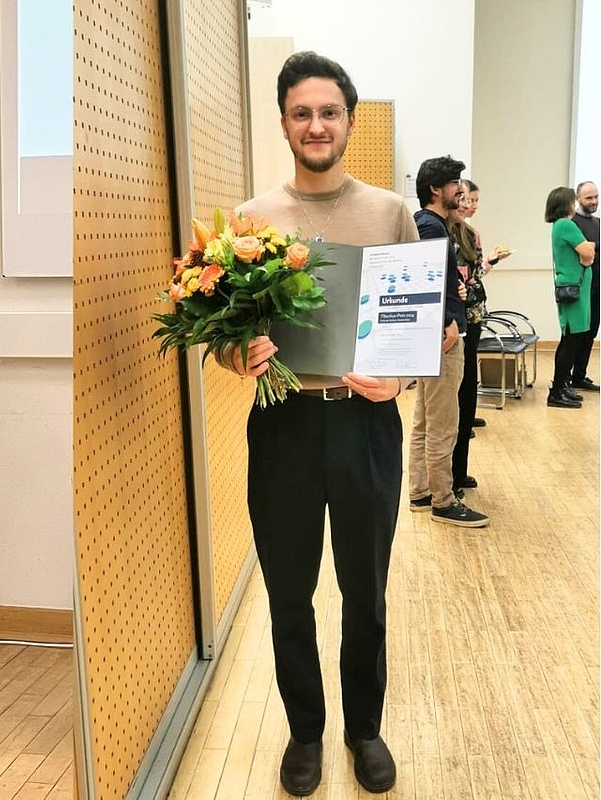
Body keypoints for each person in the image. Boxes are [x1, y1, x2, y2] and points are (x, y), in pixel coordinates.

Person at [222, 52, 414, 796]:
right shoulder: (249, 220)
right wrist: (240, 355)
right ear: (282, 124)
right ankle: (305, 731)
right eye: (300, 113)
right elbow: (224, 338)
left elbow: (418, 320)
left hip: (365, 424)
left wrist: (396, 376)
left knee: (364, 589)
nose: (315, 125)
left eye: (328, 112)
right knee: (288, 589)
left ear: (348, 122)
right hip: (282, 423)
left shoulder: (388, 213)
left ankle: (363, 729)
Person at [407, 156, 488, 528]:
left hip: (439, 332)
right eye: (455, 182)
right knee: (443, 420)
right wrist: (449, 320)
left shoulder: (430, 224)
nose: (462, 188)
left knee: (426, 416)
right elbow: (426, 278)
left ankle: (421, 490)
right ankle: (443, 499)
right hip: (445, 335)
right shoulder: (431, 226)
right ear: (436, 189)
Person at [448, 179, 510, 493]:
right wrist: (463, 286)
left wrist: (488, 265)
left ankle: (460, 471)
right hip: (454, 323)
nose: (470, 205)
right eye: (465, 199)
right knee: (455, 396)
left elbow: (475, 276)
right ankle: (449, 474)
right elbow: (458, 281)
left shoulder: (472, 235)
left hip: (473, 317)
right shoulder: (443, 233)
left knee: (468, 391)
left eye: (473, 200)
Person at [546, 185, 597, 407]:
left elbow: (587, 254)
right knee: (571, 341)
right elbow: (588, 253)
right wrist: (588, 252)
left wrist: (587, 253)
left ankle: (561, 387)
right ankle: (557, 391)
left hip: (576, 290)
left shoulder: (561, 225)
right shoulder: (567, 224)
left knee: (570, 340)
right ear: (566, 204)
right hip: (573, 292)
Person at [570, 181, 600, 390]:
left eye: (596, 197)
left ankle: (580, 375)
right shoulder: (572, 223)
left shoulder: (598, 223)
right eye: (589, 197)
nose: (594, 201)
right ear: (578, 199)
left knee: (591, 331)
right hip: (580, 287)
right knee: (576, 334)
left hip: (597, 285)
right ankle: (565, 378)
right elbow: (583, 252)